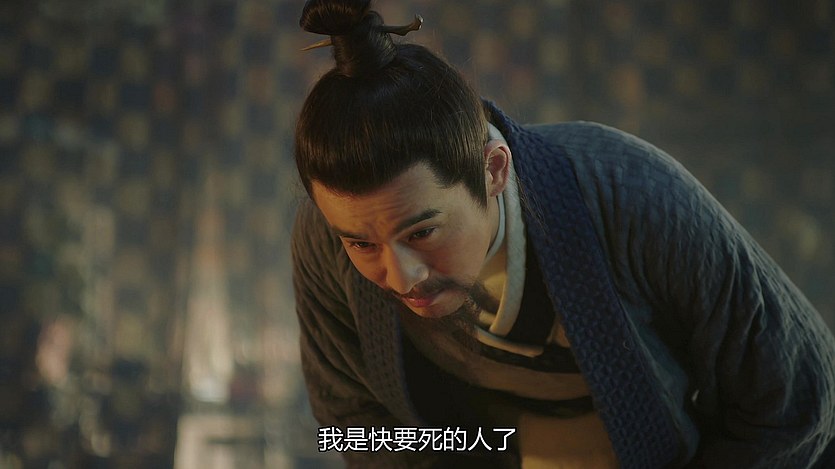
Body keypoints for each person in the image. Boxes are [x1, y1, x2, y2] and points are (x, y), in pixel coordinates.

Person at [290, 0, 835, 467]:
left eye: (423, 231)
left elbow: (794, 401)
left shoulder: (629, 194)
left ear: (493, 169)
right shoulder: (326, 238)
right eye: (362, 244)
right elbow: (352, 427)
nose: (401, 275)